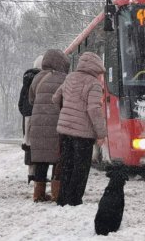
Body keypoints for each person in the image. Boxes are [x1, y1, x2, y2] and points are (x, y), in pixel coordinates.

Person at [52, 52, 107, 206]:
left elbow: (55, 98)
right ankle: (74, 200)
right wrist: (101, 133)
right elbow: (94, 109)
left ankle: (62, 199)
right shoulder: (94, 84)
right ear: (96, 68)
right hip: (83, 135)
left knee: (66, 165)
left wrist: (66, 113)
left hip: (64, 132)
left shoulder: (69, 78)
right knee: (80, 168)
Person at [28, 49, 69, 202]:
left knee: (41, 160)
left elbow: (31, 100)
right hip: (56, 123)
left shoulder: (37, 78)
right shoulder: (63, 79)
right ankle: (56, 193)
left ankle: (38, 194)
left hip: (38, 124)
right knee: (58, 159)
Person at [18, 55, 42, 184]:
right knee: (39, 146)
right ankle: (38, 175)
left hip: (27, 118)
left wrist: (26, 114)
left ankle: (30, 174)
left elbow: (20, 103)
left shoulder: (26, 81)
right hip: (38, 117)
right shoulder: (41, 80)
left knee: (29, 145)